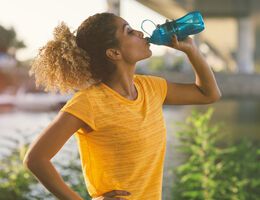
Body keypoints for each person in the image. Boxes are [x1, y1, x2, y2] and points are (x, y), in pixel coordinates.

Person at [23, 12, 221, 200]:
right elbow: (36, 159)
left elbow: (209, 94)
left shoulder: (151, 87)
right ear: (114, 52)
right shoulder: (88, 102)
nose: (140, 33)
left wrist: (192, 51)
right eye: (128, 31)